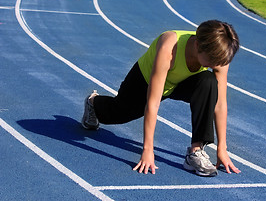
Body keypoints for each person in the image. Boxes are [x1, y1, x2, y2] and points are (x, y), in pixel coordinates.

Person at [81, 20, 240, 177]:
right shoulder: (170, 47)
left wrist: (222, 149)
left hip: (181, 84)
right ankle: (94, 102)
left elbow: (219, 103)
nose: (216, 66)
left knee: (209, 81)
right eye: (212, 62)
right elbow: (153, 103)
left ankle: (196, 151)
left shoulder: (219, 54)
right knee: (117, 113)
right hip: (145, 80)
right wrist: (148, 150)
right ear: (198, 45)